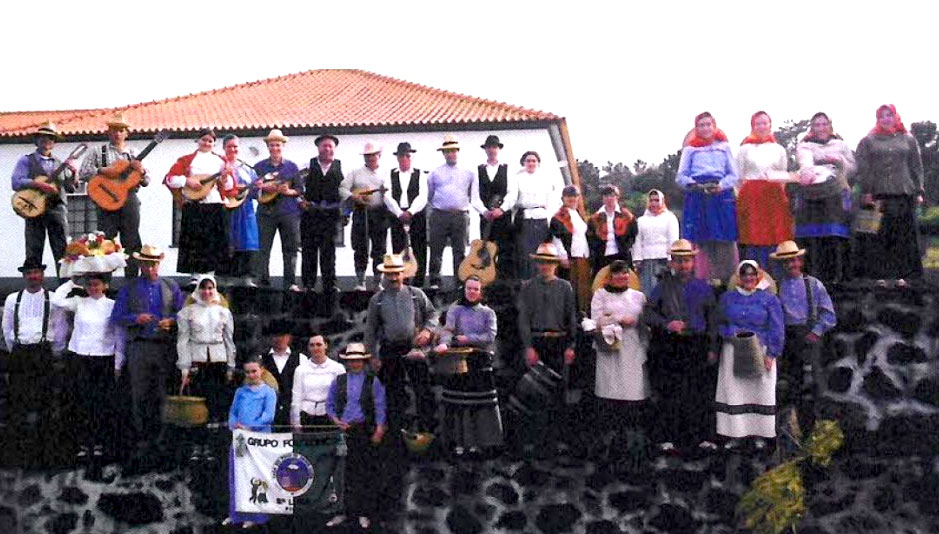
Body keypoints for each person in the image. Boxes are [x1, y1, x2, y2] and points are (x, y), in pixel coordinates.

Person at [643, 239, 719, 453]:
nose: (683, 265)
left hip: (697, 344)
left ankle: (703, 437)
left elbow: (713, 319)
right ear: (672, 263)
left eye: (687, 260)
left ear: (693, 262)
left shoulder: (703, 287)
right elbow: (648, 313)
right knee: (671, 393)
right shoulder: (662, 287)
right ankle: (668, 437)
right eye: (679, 261)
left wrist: (713, 348)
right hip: (671, 346)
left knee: (699, 393)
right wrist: (667, 324)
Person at [110, 245, 185, 460]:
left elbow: (183, 314)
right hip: (139, 346)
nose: (150, 267)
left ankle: (161, 440)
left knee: (163, 393)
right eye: (146, 263)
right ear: (140, 264)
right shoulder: (129, 288)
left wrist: (171, 321)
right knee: (139, 394)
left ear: (158, 263)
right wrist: (136, 319)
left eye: (153, 263)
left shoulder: (170, 286)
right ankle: (140, 439)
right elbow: (117, 317)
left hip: (164, 347)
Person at [2, 259, 68, 466]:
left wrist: (55, 352)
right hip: (21, 354)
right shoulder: (14, 299)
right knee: (18, 402)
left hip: (43, 353)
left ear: (43, 275)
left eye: (36, 272)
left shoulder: (54, 298)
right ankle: (18, 454)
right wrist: (16, 351)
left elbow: (60, 328)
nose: (33, 276)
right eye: (29, 273)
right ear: (24, 276)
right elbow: (7, 328)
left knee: (45, 403)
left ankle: (45, 453)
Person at [51, 271, 123, 461]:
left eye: (97, 284)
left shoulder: (113, 306)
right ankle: (83, 444)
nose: (93, 288)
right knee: (81, 402)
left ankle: (99, 443)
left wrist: (118, 362)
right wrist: (71, 282)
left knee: (100, 403)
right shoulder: (79, 302)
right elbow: (56, 301)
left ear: (105, 285)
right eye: (89, 284)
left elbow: (118, 336)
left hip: (103, 358)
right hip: (80, 356)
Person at [716, 260, 784, 450]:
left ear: (758, 276)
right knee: (735, 390)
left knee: (760, 392)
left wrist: (772, 353)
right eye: (745, 274)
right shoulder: (727, 298)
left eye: (752, 274)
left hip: (760, 349)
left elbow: (777, 327)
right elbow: (718, 322)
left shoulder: (769, 300)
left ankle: (760, 434)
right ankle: (735, 434)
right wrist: (729, 332)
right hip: (734, 349)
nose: (749, 278)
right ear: (739, 277)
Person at [364, 254, 438, 432]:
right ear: (384, 275)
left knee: (423, 392)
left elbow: (432, 315)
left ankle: (426, 432)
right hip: (389, 351)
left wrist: (428, 331)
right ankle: (396, 437)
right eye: (389, 274)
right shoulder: (377, 300)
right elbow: (370, 330)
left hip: (414, 349)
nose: (393, 277)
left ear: (403, 273)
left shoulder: (416, 294)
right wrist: (373, 357)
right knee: (392, 394)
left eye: (397, 273)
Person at [854, 104, 925, 286]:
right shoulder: (868, 141)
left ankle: (902, 276)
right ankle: (879, 277)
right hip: (876, 195)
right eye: (882, 116)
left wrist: (918, 191)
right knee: (876, 237)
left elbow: (916, 166)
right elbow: (862, 168)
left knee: (903, 236)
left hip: (903, 193)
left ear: (896, 117)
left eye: (889, 115)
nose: (886, 119)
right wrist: (866, 191)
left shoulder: (908, 139)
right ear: (877, 119)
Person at [516, 243, 577, 453]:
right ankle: (534, 439)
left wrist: (572, 345)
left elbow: (572, 318)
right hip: (537, 341)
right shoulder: (528, 287)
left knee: (558, 393)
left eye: (549, 263)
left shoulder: (565, 287)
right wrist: (528, 347)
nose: (545, 266)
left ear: (555, 265)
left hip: (558, 342)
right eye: (542, 262)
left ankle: (555, 440)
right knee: (533, 392)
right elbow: (523, 319)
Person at [771, 241, 836, 433]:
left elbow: (829, 315)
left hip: (808, 339)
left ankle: (813, 433)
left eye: (793, 260)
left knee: (813, 388)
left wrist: (816, 332)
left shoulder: (814, 285)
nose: (790, 265)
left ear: (800, 261)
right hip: (786, 340)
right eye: (785, 262)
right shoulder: (775, 287)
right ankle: (787, 435)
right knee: (786, 388)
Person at [434, 275, 503, 457]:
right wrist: (444, 343)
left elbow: (489, 336)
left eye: (476, 289)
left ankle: (481, 443)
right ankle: (458, 443)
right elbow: (448, 330)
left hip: (480, 362)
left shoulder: (488, 313)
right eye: (469, 288)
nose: (472, 292)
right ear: (464, 290)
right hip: (458, 361)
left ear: (480, 292)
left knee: (480, 405)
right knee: (458, 405)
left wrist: (469, 338)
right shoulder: (455, 310)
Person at [589, 260, 649, 459]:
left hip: (632, 346)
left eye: (625, 273)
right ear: (610, 276)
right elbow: (596, 318)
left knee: (632, 388)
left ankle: (632, 434)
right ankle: (609, 434)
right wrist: (618, 320)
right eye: (617, 273)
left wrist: (635, 322)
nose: (622, 277)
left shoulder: (639, 297)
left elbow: (645, 320)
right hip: (609, 346)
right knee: (610, 387)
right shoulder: (600, 295)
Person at [325, 343, 388, 530]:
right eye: (351, 361)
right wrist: (336, 421)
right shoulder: (338, 381)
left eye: (358, 360)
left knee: (364, 473)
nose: (355, 364)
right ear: (347, 362)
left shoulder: (372, 381)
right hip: (343, 432)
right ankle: (342, 511)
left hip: (364, 431)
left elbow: (380, 406)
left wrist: (379, 429)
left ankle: (364, 512)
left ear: (363, 361)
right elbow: (329, 405)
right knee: (341, 473)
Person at [78, 112, 148, 277]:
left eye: (120, 130)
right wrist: (103, 171)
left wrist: (142, 171)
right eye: (114, 130)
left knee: (131, 239)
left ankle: (131, 281)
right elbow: (83, 173)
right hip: (105, 200)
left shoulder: (134, 153)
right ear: (108, 132)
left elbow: (147, 181)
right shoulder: (98, 151)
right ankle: (104, 283)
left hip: (129, 199)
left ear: (126, 133)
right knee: (105, 241)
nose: (117, 133)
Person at [176, 274, 236, 462]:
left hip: (218, 360)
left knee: (217, 403)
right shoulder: (187, 312)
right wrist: (184, 367)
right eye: (204, 288)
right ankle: (197, 445)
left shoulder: (223, 312)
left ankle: (214, 446)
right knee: (197, 405)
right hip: (198, 359)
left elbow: (229, 340)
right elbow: (183, 341)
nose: (207, 292)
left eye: (210, 288)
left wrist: (231, 365)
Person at [676, 112, 740, 282]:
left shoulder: (724, 147)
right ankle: (701, 281)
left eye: (708, 124)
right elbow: (681, 176)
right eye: (701, 125)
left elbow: (734, 175)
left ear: (714, 126)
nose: (705, 128)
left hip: (720, 196)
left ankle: (728, 282)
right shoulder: (690, 149)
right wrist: (693, 185)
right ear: (696, 128)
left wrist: (721, 185)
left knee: (724, 239)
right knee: (700, 240)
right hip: (698, 196)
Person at [11, 122, 80, 278]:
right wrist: (37, 183)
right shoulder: (26, 161)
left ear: (54, 143)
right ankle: (34, 288)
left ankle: (65, 288)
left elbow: (70, 188)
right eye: (43, 138)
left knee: (62, 251)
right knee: (33, 251)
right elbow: (16, 182)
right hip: (33, 209)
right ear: (37, 140)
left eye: (50, 138)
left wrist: (74, 173)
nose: (46, 141)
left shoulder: (60, 164)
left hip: (56, 210)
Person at [794, 112, 857, 284]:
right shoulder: (805, 145)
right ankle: (812, 277)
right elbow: (805, 161)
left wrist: (840, 161)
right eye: (817, 125)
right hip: (812, 195)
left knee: (835, 235)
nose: (821, 128)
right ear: (812, 128)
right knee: (813, 236)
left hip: (836, 195)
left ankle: (839, 276)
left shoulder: (841, 145)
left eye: (824, 124)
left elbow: (852, 168)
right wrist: (809, 170)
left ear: (830, 125)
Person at [163, 128, 231, 279]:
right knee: (195, 242)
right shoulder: (187, 160)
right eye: (204, 140)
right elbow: (170, 179)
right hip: (194, 205)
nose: (207, 143)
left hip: (214, 204)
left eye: (210, 141)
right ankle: (195, 277)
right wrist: (188, 181)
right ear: (198, 141)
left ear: (214, 143)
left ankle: (210, 276)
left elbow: (229, 187)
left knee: (213, 241)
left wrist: (225, 179)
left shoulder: (221, 161)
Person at [426, 135, 488, 289]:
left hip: (460, 215)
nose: (451, 154)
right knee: (436, 248)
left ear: (458, 152)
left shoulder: (469, 172)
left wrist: (484, 211)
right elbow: (430, 195)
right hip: (439, 214)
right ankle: (434, 281)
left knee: (459, 249)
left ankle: (460, 281)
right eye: (447, 151)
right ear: (443, 154)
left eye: (453, 151)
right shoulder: (435, 173)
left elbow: (474, 197)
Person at [735, 111, 794, 269]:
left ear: (770, 125)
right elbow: (739, 176)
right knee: (753, 236)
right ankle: (753, 272)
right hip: (752, 196)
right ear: (752, 126)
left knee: (776, 235)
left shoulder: (779, 149)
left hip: (774, 196)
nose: (761, 127)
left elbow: (783, 173)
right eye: (757, 123)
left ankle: (776, 275)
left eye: (764, 123)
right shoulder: (744, 149)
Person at [223, 355, 276, 529]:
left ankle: (256, 515)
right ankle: (236, 514)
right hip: (239, 438)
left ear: (262, 370)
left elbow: (268, 416)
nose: (251, 375)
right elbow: (233, 413)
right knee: (237, 475)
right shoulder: (240, 392)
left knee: (256, 477)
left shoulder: (268, 392)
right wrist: (234, 425)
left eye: (254, 371)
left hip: (259, 439)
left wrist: (250, 427)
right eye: (247, 372)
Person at [253, 129, 303, 291]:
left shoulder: (292, 167)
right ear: (268, 146)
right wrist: (264, 188)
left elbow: (300, 190)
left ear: (283, 146)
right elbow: (252, 192)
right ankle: (262, 281)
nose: (275, 148)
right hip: (265, 212)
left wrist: (287, 191)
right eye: (272, 145)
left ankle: (290, 282)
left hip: (288, 212)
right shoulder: (259, 167)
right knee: (262, 248)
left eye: (278, 145)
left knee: (290, 249)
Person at [341, 142, 389, 289]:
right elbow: (342, 188)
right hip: (361, 212)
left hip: (380, 212)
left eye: (373, 155)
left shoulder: (386, 173)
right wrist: (353, 197)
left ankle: (377, 281)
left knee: (379, 248)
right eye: (367, 156)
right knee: (360, 246)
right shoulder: (355, 172)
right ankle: (360, 281)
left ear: (379, 155)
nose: (370, 158)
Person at [299, 134, 343, 293]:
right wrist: (300, 202)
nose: (327, 149)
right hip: (310, 215)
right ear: (318, 148)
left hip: (330, 216)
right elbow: (297, 186)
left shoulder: (341, 166)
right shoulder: (307, 165)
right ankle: (308, 284)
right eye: (324, 146)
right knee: (308, 249)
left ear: (335, 149)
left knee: (329, 251)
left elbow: (344, 191)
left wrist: (344, 211)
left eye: (330, 146)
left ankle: (330, 284)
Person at [384, 142, 429, 287]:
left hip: (416, 214)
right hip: (397, 215)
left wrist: (410, 211)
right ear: (397, 157)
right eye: (401, 155)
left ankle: (419, 282)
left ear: (411, 157)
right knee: (398, 248)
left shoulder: (420, 174)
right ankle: (401, 280)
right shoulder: (389, 174)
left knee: (419, 248)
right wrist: (399, 213)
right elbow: (387, 196)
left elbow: (423, 196)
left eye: (407, 155)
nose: (404, 158)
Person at [514, 150, 564, 279]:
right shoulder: (517, 177)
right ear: (523, 162)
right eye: (528, 161)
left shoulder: (545, 179)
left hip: (540, 219)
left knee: (540, 252)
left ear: (538, 163)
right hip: (524, 219)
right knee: (525, 254)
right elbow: (516, 200)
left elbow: (549, 201)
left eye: (534, 161)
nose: (531, 163)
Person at [220, 134, 260, 286]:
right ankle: (227, 277)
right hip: (226, 208)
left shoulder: (248, 169)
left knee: (247, 241)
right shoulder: (220, 166)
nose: (233, 149)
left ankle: (247, 277)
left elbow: (256, 192)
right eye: (229, 146)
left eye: (235, 146)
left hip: (245, 210)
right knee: (227, 240)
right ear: (224, 148)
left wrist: (259, 187)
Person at [477, 135, 517, 279]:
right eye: (489, 147)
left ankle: (504, 288)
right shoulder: (479, 170)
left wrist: (502, 209)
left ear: (498, 149)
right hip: (486, 218)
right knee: (486, 252)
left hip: (503, 218)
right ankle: (487, 285)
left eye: (494, 147)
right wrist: (484, 211)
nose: (491, 150)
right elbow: (474, 196)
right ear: (485, 149)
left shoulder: (508, 169)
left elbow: (513, 193)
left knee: (505, 252)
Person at [550, 184, 591, 314]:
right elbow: (556, 238)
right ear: (563, 198)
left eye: (575, 196)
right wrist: (562, 256)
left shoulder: (578, 214)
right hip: (570, 258)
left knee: (582, 291)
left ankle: (582, 315)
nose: (572, 199)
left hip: (583, 256)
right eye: (569, 196)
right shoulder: (558, 217)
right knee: (570, 289)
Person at [260, 319, 308, 428]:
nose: (279, 339)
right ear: (271, 337)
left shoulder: (301, 359)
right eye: (276, 335)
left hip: (292, 414)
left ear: (289, 337)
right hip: (268, 414)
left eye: (283, 335)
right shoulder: (261, 359)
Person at [290, 335, 345, 429]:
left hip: (330, 416)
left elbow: (343, 396)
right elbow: (296, 397)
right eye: (312, 345)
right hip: (306, 416)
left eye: (319, 344)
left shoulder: (338, 368)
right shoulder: (300, 369)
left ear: (326, 346)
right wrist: (296, 422)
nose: (315, 348)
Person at [631, 189, 680, 297]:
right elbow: (637, 241)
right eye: (651, 200)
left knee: (665, 292)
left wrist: (671, 259)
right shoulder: (641, 220)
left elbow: (673, 240)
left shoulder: (670, 218)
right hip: (646, 261)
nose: (654, 203)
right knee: (648, 291)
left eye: (657, 200)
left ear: (662, 201)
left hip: (664, 261)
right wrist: (637, 260)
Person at [587, 184, 638, 274]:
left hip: (622, 257)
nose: (609, 198)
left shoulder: (627, 216)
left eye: (612, 195)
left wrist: (626, 246)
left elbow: (634, 234)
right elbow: (590, 238)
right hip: (601, 258)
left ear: (617, 197)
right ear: (602, 198)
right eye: (606, 196)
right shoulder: (594, 218)